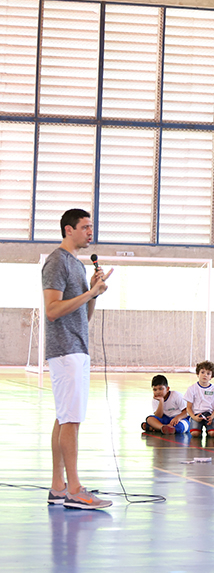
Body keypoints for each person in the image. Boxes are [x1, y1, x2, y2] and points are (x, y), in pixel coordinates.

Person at [42, 209, 114, 509]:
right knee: (71, 420)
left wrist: (93, 294)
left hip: (77, 346)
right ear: (68, 230)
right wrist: (88, 293)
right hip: (65, 349)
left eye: (91, 227)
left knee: (65, 417)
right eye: (85, 227)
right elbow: (52, 310)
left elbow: (82, 316)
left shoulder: (76, 265)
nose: (90, 232)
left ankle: (59, 486)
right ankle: (75, 489)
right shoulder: (57, 261)